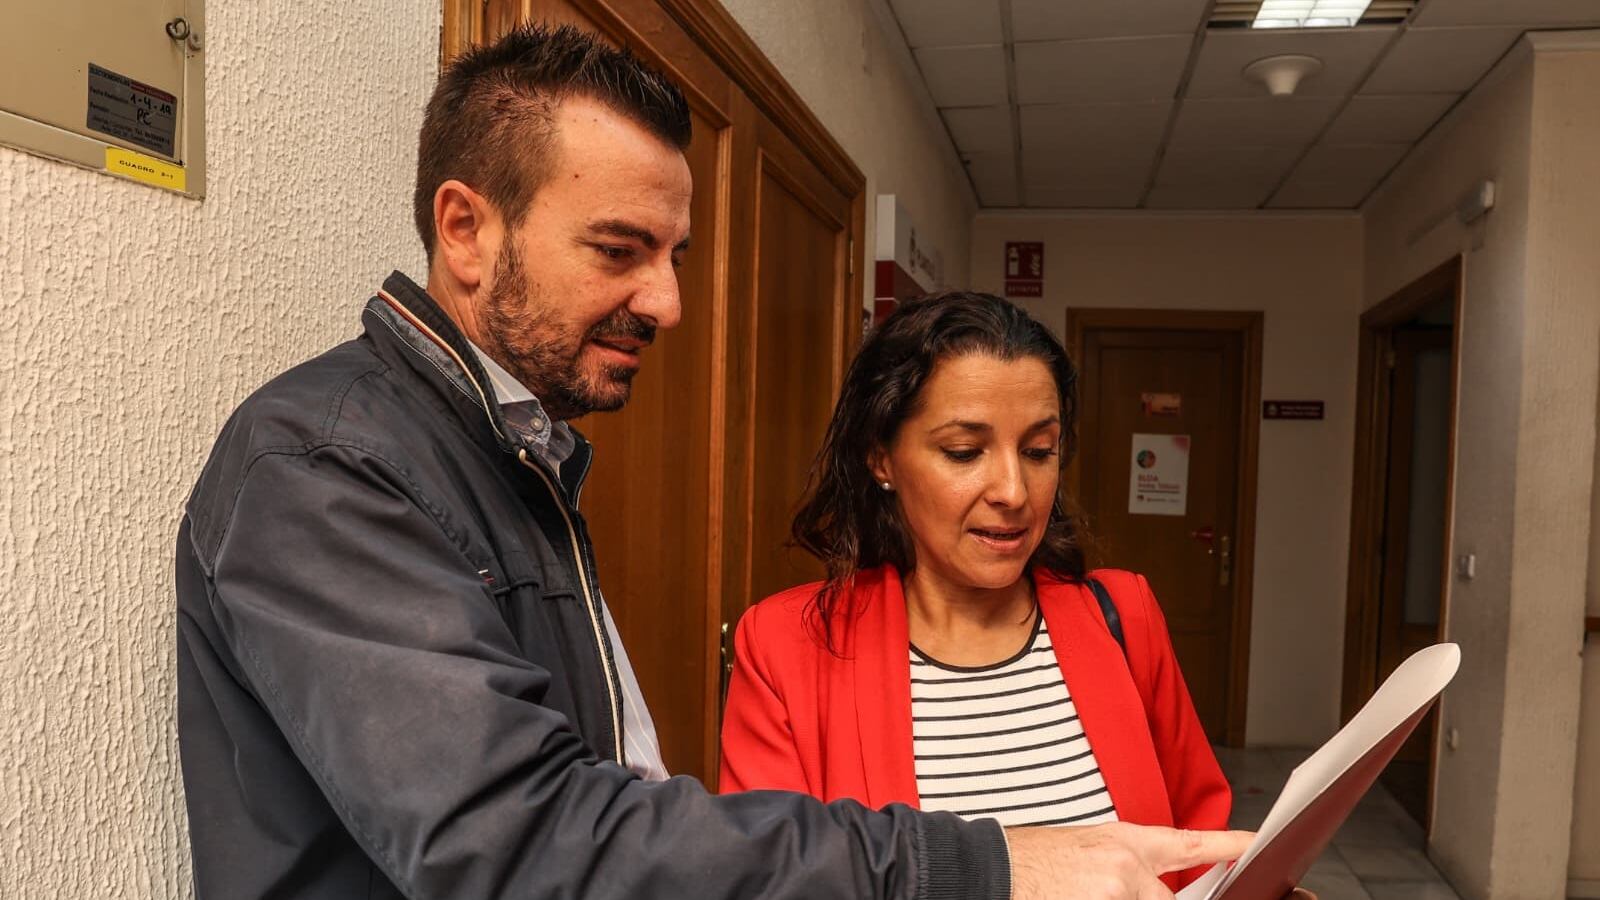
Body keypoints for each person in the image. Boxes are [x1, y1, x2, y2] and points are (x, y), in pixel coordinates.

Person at [174, 24, 1251, 900]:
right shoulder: (326, 467)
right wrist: (989, 863)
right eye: (619, 249)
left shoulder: (514, 456)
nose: (668, 302)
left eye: (673, 255)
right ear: (465, 228)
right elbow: (519, 844)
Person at [720, 292, 1231, 891]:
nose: (1014, 490)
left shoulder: (1124, 618)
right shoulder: (789, 645)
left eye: (1040, 451)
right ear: (881, 457)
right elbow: (774, 879)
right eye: (965, 452)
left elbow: (1199, 848)